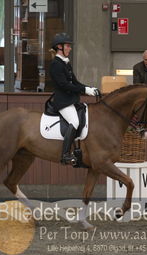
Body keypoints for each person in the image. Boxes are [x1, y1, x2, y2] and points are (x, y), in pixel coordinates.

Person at [48, 32, 100, 165]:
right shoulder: (56, 64)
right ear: (59, 47)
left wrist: (89, 89)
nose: (70, 48)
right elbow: (64, 85)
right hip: (63, 101)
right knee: (75, 121)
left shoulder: (66, 63)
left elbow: (75, 83)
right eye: (68, 46)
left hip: (71, 100)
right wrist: (83, 90)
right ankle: (65, 154)